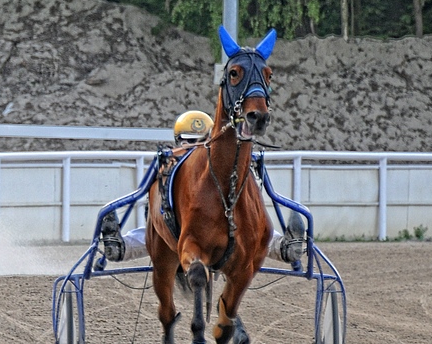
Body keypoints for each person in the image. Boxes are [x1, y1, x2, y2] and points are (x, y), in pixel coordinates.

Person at [100, 110, 308, 264]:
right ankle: (121, 248)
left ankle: (283, 248)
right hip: (176, 229)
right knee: (157, 231)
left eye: (199, 142)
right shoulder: (170, 164)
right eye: (187, 142)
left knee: (250, 228)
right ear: (177, 142)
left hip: (218, 231)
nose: (192, 148)